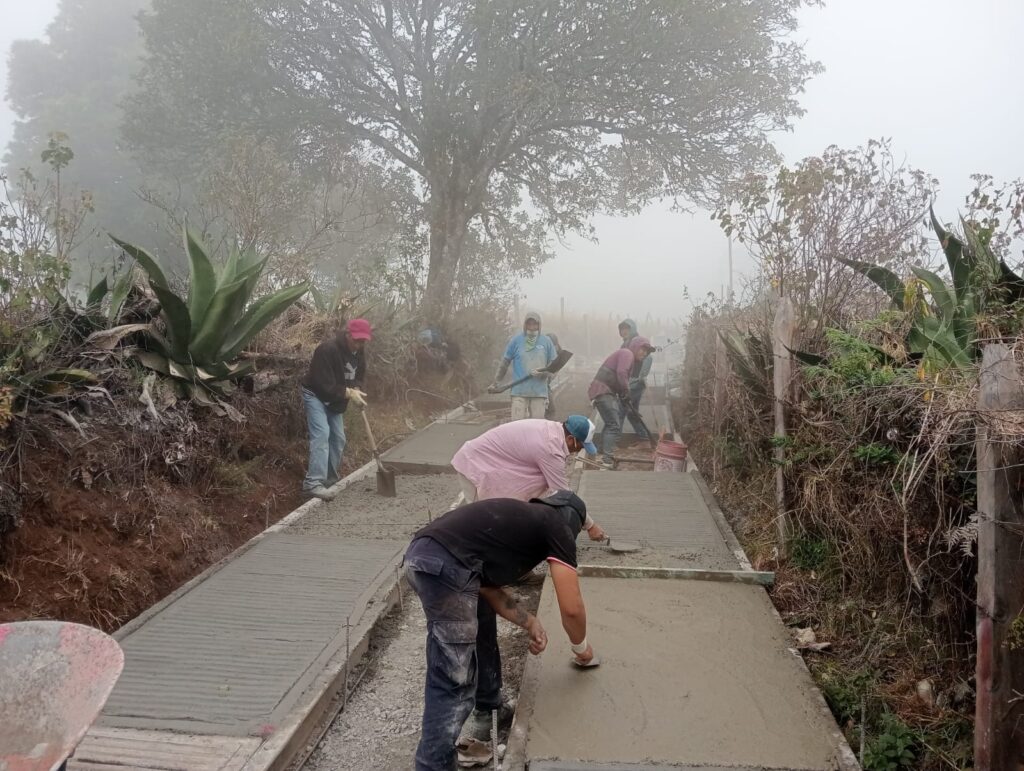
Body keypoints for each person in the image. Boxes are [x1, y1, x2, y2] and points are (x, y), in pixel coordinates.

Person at [404, 490, 597, 771]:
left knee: (481, 617)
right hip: (446, 565)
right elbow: (571, 608)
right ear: (572, 523)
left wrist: (530, 622)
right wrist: (582, 648)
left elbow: (488, 590)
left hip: (429, 556)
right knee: (453, 676)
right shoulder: (556, 525)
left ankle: (489, 706)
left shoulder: (521, 522)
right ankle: (433, 766)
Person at [450, 415, 607, 539]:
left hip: (490, 462)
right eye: (580, 446)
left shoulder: (553, 430)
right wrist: (590, 525)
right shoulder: (550, 448)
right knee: (483, 519)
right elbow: (563, 494)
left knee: (504, 513)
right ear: (571, 439)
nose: (578, 451)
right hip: (474, 463)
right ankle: (459, 549)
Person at [299, 318, 372, 499]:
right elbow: (323, 384)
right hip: (316, 395)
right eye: (356, 340)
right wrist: (348, 392)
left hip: (335, 398)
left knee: (338, 438)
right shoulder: (327, 350)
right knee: (322, 434)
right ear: (348, 334)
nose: (359, 345)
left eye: (362, 341)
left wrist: (356, 389)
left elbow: (359, 374)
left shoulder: (359, 352)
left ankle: (329, 480)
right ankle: (312, 484)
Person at [587, 336, 655, 468]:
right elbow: (621, 373)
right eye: (643, 349)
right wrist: (626, 391)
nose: (644, 353)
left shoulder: (628, 357)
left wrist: (624, 395)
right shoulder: (627, 353)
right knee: (614, 425)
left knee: (610, 423)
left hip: (603, 391)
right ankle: (607, 460)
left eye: (647, 351)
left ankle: (601, 452)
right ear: (635, 346)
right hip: (603, 391)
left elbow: (618, 378)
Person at [489, 311, 557, 420]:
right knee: (517, 424)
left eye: (535, 324)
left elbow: (555, 365)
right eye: (529, 324)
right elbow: (505, 363)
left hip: (539, 392)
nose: (532, 327)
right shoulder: (516, 341)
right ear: (525, 325)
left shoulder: (546, 341)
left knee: (536, 425)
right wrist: (496, 382)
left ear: (539, 325)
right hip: (519, 391)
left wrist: (545, 373)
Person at [620, 335, 655, 441]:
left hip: (634, 387)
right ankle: (644, 438)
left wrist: (626, 385)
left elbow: (641, 377)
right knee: (632, 413)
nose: (644, 353)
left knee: (620, 412)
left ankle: (614, 441)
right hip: (635, 387)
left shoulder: (647, 358)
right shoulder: (632, 356)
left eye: (646, 350)